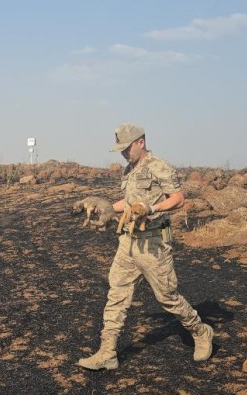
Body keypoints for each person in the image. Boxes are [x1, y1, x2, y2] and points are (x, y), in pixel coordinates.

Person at [77, 123, 214, 370]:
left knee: (167, 298)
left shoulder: (159, 166)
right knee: (116, 293)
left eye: (126, 148)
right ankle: (107, 352)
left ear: (141, 142)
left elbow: (178, 199)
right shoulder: (128, 170)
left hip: (154, 244)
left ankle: (200, 331)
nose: (123, 153)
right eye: (120, 149)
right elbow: (128, 203)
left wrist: (152, 209)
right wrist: (106, 207)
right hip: (128, 242)